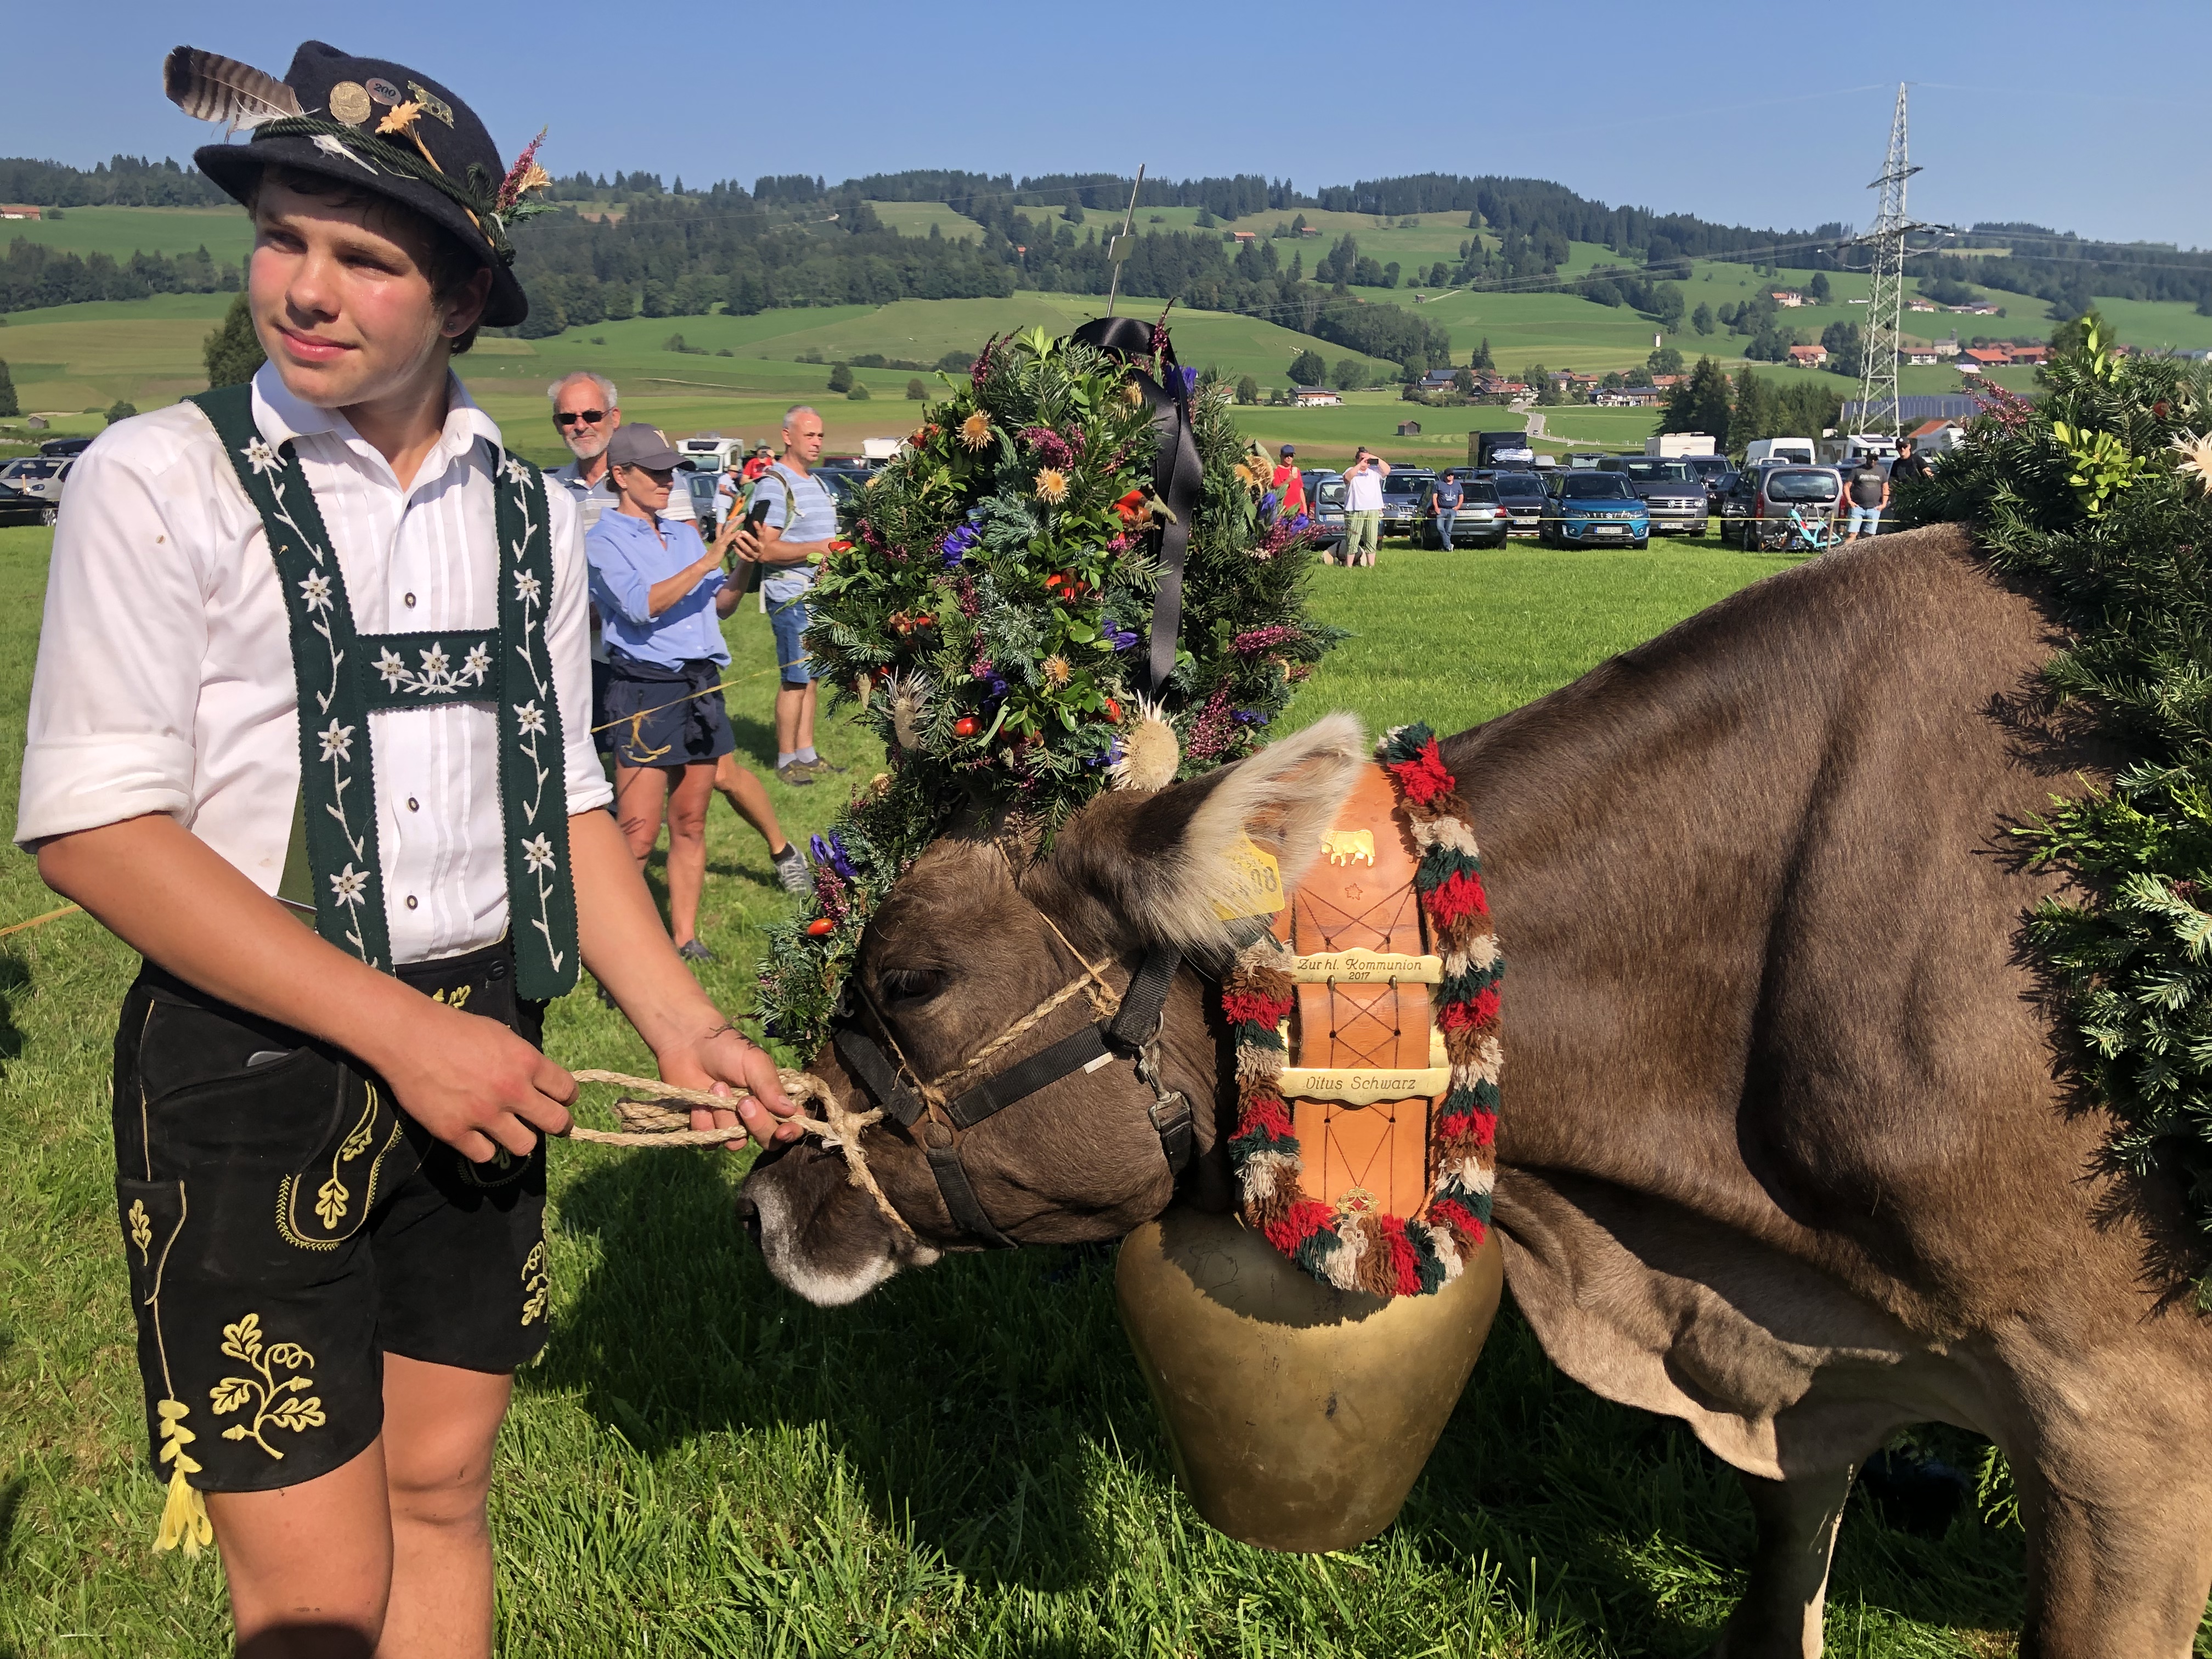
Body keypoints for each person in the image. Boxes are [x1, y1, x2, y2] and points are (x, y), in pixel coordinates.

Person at [18, 42, 797, 1658]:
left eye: (364, 256)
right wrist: (398, 1036)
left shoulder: (535, 517)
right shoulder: (160, 482)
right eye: (285, 236)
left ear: (459, 300)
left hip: (489, 1052)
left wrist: (684, 1021)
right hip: (254, 1069)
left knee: (442, 1493)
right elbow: (97, 832)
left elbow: (565, 797)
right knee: (307, 1597)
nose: (306, 289)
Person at [587, 424, 810, 951]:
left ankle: (685, 939)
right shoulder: (603, 541)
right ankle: (626, 950)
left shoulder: (684, 534)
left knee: (690, 820)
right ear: (620, 475)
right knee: (638, 835)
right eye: (656, 472)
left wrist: (741, 571)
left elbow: (721, 607)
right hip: (645, 690)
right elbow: (643, 605)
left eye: (671, 472)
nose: (668, 481)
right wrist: (710, 559)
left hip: (701, 685)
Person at [731, 406, 845, 785]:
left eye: (820, 436)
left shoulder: (817, 484)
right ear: (787, 436)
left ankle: (807, 754)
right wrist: (822, 548)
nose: (817, 442)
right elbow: (764, 550)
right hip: (792, 595)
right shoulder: (773, 484)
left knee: (813, 678)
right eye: (810, 435)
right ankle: (785, 760)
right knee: (795, 679)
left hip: (820, 596)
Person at [1342, 447, 1388, 568]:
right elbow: (1347, 478)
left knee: (1371, 539)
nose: (1365, 462)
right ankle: (1349, 565)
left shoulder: (1375, 472)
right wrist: (1359, 465)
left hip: (1372, 510)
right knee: (1353, 539)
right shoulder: (1351, 470)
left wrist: (1375, 458)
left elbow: (1387, 470)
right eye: (1362, 459)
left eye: (1367, 460)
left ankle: (1371, 565)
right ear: (1357, 460)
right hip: (1354, 510)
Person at [1843, 454, 1891, 545]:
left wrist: (1884, 504)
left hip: (1874, 508)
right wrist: (1849, 501)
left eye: (1875, 459)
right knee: (1852, 535)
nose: (1873, 461)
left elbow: (1885, 487)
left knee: (1869, 537)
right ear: (1867, 458)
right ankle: (1842, 556)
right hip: (1857, 508)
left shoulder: (1881, 471)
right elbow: (1846, 486)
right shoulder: (1857, 470)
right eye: (1871, 458)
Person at [1269, 443, 1306, 524]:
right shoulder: (1276, 470)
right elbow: (1276, 487)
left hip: (1299, 510)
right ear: (1281, 456)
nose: (1289, 458)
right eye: (1286, 455)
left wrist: (1305, 508)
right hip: (1284, 511)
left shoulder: (1296, 470)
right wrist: (1288, 480)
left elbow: (1300, 490)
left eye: (1291, 455)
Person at [1432, 468, 1464, 550]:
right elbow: (1435, 497)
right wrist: (1436, 508)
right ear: (1445, 476)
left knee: (1448, 530)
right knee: (1440, 528)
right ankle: (1449, 545)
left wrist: (1458, 507)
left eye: (1452, 475)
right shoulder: (1439, 484)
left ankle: (1445, 548)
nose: (1450, 477)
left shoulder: (1457, 485)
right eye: (1449, 475)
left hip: (1452, 510)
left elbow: (1461, 496)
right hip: (1442, 510)